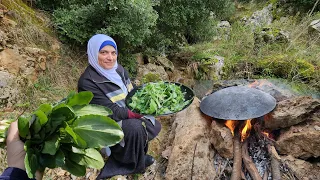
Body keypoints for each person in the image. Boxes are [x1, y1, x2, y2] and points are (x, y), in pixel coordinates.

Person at [78, 34, 161, 179]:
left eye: (113, 52)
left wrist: (146, 99)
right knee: (135, 128)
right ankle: (126, 163)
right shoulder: (88, 81)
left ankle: (137, 156)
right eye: (103, 52)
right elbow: (108, 112)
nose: (110, 57)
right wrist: (134, 114)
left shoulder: (119, 70)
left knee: (153, 124)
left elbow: (132, 91)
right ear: (93, 53)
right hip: (106, 123)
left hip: (127, 112)